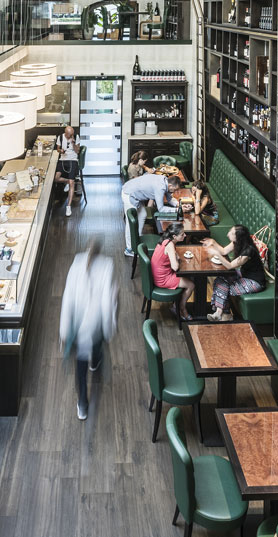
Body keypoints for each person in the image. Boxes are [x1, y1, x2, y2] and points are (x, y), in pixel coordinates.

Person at [60, 239, 118, 420]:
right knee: (97, 346)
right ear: (101, 252)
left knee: (80, 364)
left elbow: (67, 297)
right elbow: (108, 303)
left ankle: (83, 403)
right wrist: (110, 329)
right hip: (96, 322)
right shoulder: (107, 265)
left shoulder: (77, 262)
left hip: (77, 324)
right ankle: (96, 362)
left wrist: (63, 330)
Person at [202, 225, 267, 322]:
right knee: (219, 280)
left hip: (255, 282)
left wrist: (217, 254)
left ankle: (221, 314)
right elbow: (224, 251)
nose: (228, 234)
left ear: (238, 237)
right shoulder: (237, 242)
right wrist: (213, 242)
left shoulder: (248, 251)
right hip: (244, 274)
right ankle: (223, 313)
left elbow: (230, 266)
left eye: (231, 233)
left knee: (225, 288)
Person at [121, 173, 182, 257]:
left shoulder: (165, 180)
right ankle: (129, 249)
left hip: (135, 193)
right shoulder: (160, 187)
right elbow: (161, 209)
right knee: (130, 223)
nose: (175, 192)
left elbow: (169, 198)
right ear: (170, 185)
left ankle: (137, 240)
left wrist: (178, 205)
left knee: (143, 214)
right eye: (175, 189)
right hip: (129, 193)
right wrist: (176, 210)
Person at [151, 223, 195, 321]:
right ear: (174, 236)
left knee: (190, 278)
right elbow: (175, 267)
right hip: (163, 279)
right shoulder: (170, 245)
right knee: (191, 285)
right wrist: (177, 260)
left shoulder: (166, 240)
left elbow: (174, 256)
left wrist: (175, 256)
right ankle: (181, 308)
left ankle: (177, 305)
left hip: (159, 275)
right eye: (182, 234)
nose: (185, 235)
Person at [55, 126, 81, 217]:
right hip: (63, 159)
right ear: (66, 133)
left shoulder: (76, 137)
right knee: (56, 178)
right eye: (69, 135)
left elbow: (77, 151)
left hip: (73, 160)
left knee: (72, 183)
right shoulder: (60, 137)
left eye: (72, 134)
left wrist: (73, 143)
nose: (71, 136)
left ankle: (68, 206)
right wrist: (61, 151)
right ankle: (67, 181)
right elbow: (57, 149)